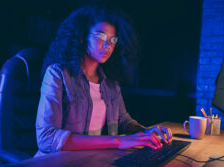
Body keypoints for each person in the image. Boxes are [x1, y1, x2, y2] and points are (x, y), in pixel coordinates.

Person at [35, 4, 172, 157]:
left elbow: (124, 121)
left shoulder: (111, 82)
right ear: (81, 37)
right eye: (100, 37)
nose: (108, 45)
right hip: (56, 161)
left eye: (113, 40)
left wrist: (145, 131)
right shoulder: (57, 74)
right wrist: (118, 142)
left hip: (92, 159)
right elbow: (47, 138)